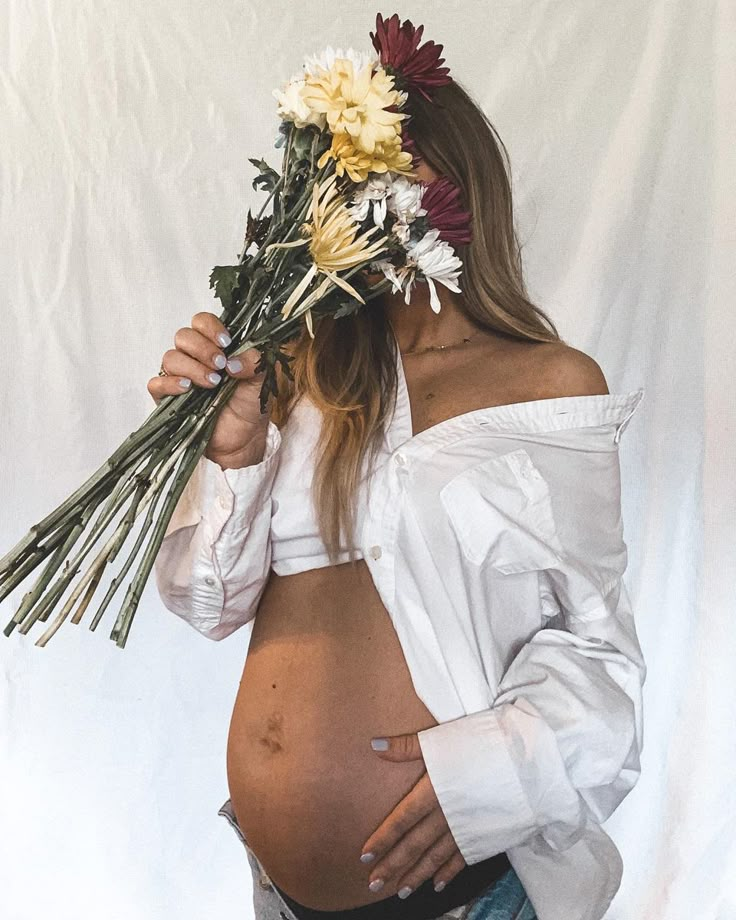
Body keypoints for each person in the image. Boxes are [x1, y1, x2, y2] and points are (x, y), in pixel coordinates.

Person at [148, 77, 645, 920]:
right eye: (344, 190)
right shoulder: (294, 374)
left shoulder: (549, 386)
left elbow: (602, 655)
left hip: (466, 895)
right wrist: (231, 452)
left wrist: (491, 779)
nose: (371, 213)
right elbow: (207, 603)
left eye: (391, 183)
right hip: (278, 892)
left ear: (458, 195)